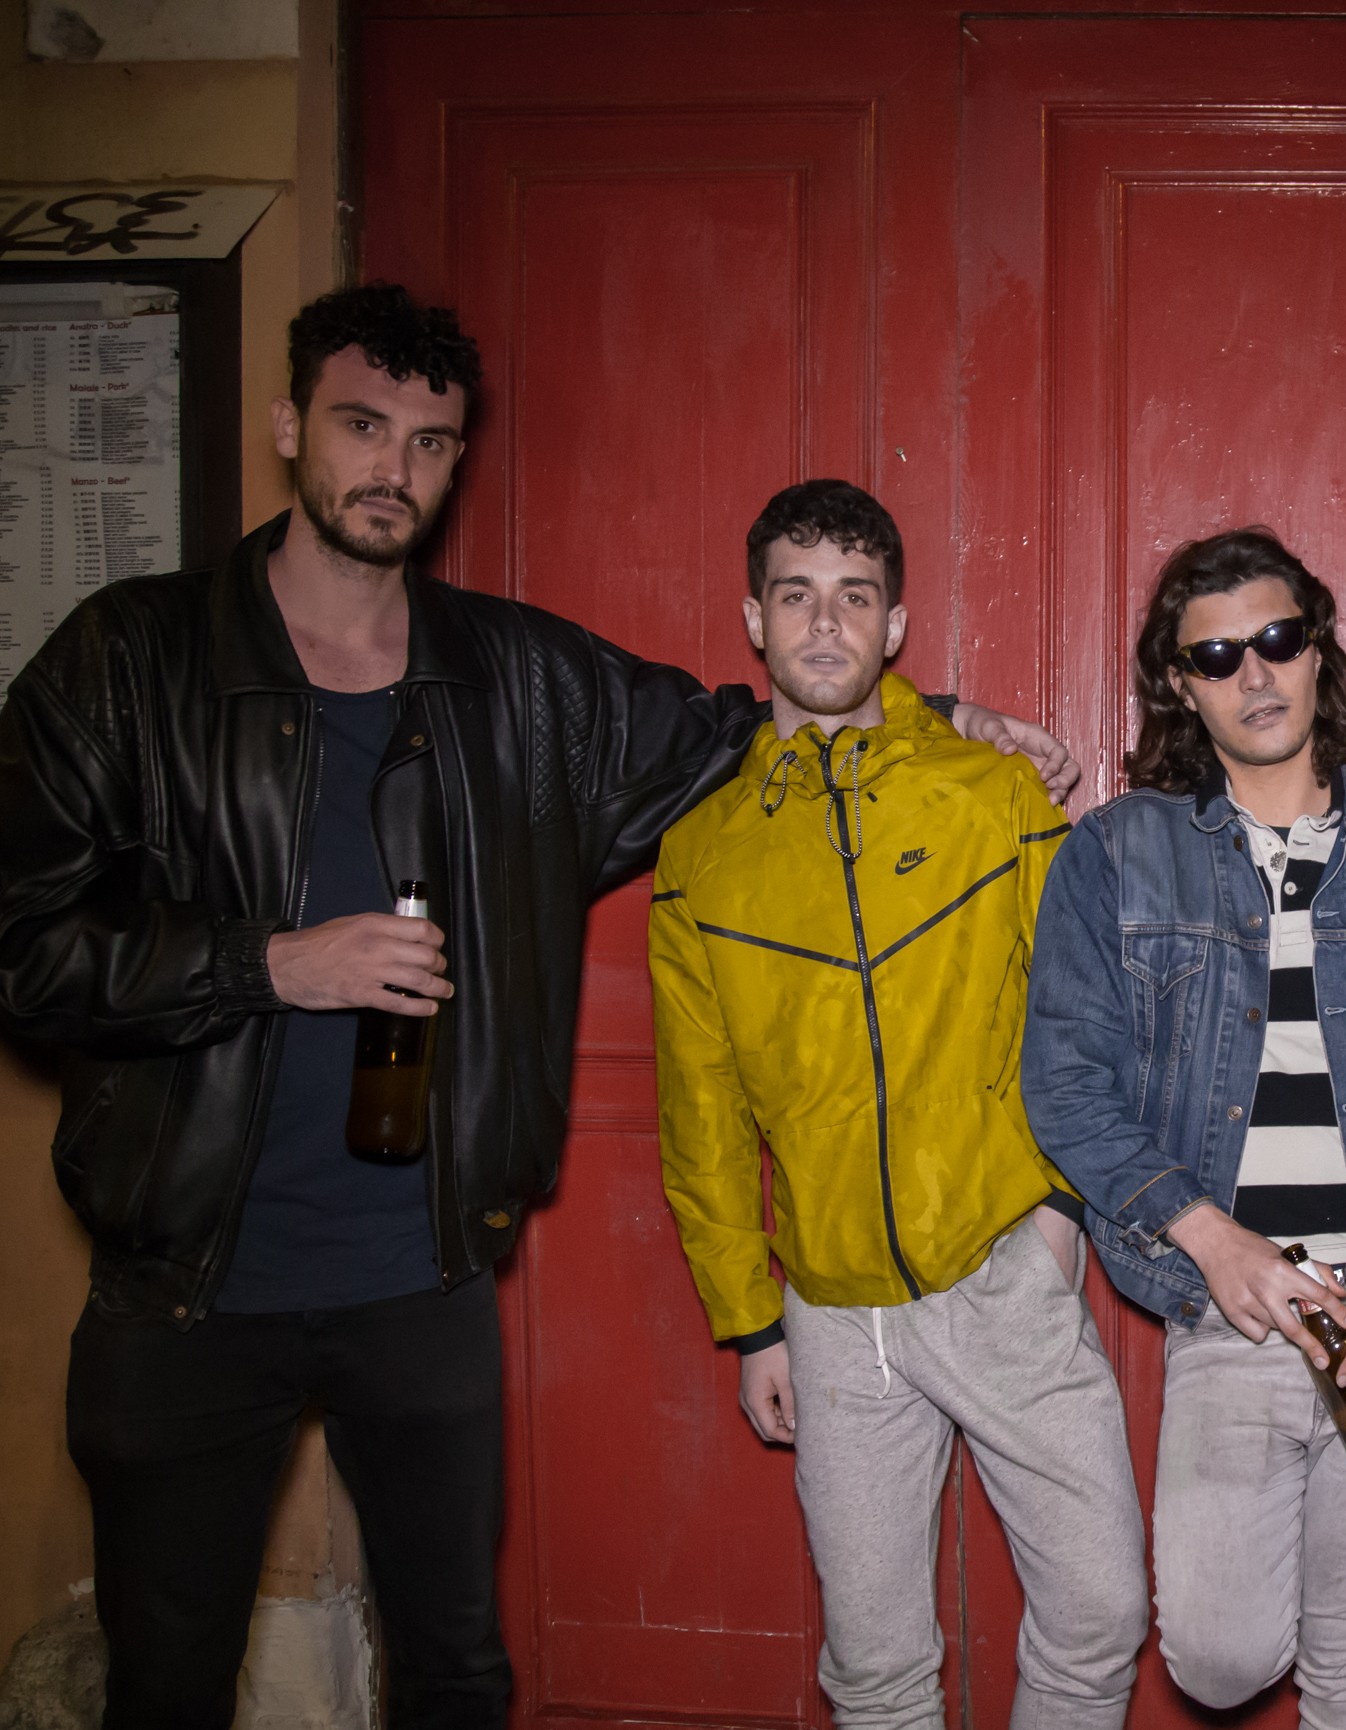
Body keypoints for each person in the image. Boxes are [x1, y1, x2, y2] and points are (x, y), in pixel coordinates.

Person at [0, 283, 1072, 1728]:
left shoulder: (513, 678)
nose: (392, 467)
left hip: (422, 1274)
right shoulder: (130, 659)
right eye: (361, 425)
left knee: (459, 1670)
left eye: (429, 441)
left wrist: (941, 720)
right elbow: (22, 946)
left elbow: (747, 725)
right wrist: (268, 962)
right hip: (184, 1282)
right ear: (288, 427)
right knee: (170, 1681)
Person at [649, 479, 1144, 1727]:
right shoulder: (701, 857)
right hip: (831, 1314)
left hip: (1004, 1273)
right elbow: (701, 1111)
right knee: (874, 1665)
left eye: (854, 596)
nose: (825, 623)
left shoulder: (995, 796)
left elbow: (1087, 1016)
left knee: (1102, 1610)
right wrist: (748, 1321)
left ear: (897, 623)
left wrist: (1059, 1214)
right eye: (796, 595)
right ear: (753, 620)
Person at [1022, 527, 1346, 1730]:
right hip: (1233, 1314)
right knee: (1218, 1655)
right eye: (1216, 655)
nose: (1254, 673)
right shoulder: (1117, 852)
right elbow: (1064, 1082)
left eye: (1278, 639)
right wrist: (1208, 1235)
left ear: (1318, 651)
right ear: (1181, 684)